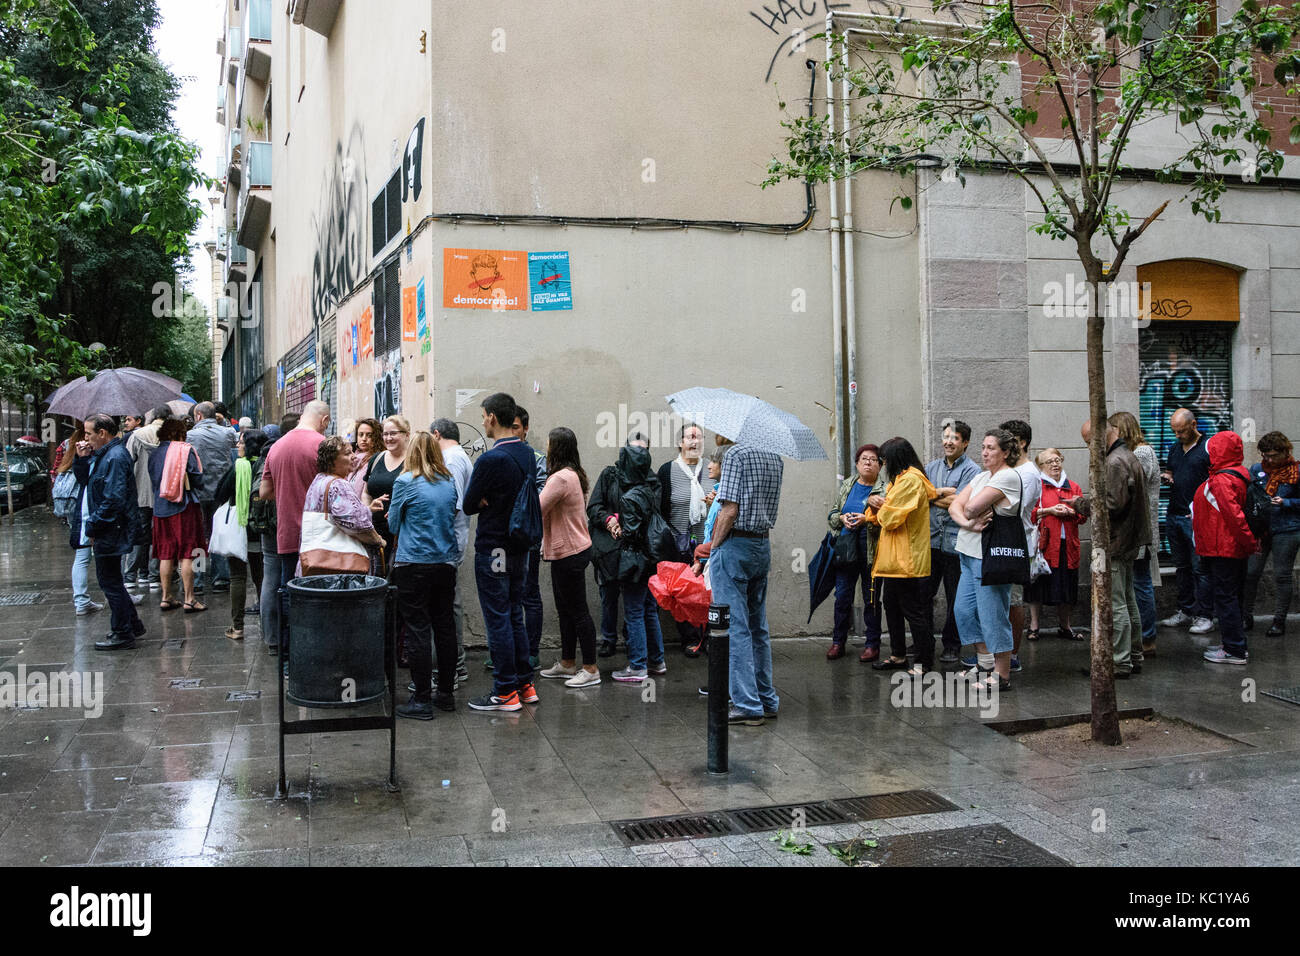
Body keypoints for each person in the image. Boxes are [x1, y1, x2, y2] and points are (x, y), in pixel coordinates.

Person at [462, 392, 540, 711]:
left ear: (492, 417)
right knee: (514, 616)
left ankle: (505, 691)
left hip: (493, 546)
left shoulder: (490, 459)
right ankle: (525, 684)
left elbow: (468, 504)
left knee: (498, 619)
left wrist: (483, 500)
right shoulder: (527, 454)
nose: (482, 421)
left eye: (483, 416)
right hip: (519, 547)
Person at [707, 440, 784, 725]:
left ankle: (746, 704)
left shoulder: (736, 455)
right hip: (761, 544)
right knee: (757, 627)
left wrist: (715, 547)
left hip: (735, 544)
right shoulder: (775, 456)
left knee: (736, 627)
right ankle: (766, 699)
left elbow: (730, 509)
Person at [1068, 417, 1151, 679]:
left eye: (1089, 442)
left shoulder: (1115, 461)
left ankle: (1119, 662)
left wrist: (1080, 504)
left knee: (1117, 603)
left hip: (1117, 540)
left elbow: (1112, 505)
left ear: (1104, 434)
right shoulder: (1128, 455)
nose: (1089, 449)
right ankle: (1133, 657)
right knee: (1128, 599)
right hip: (1129, 539)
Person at [388, 431, 461, 719]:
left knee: (418, 629)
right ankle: (445, 693)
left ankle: (420, 699)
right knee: (444, 627)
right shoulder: (449, 482)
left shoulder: (405, 482)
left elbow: (393, 524)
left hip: (413, 564)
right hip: (445, 562)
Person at [587, 435, 666, 684]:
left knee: (637, 610)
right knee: (641, 608)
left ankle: (639, 665)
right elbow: (595, 507)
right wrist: (609, 519)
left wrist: (625, 527)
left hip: (634, 556)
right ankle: (656, 660)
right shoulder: (613, 476)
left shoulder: (648, 484)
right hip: (617, 554)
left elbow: (643, 522)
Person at [949, 429, 1022, 691]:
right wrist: (970, 525)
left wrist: (968, 515)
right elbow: (954, 506)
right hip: (968, 553)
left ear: (1005, 452)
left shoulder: (1007, 477)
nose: (984, 452)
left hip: (990, 557)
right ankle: (985, 662)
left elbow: (968, 506)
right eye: (983, 447)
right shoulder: (982, 477)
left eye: (991, 448)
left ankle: (1002, 675)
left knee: (993, 616)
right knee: (964, 611)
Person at [260, 400, 330, 661]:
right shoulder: (321, 445)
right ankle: (316, 654)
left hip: (287, 534)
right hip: (319, 536)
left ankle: (289, 657)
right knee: (319, 594)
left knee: (288, 592)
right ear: (323, 421)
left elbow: (264, 491)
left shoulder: (276, 447)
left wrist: (287, 492)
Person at [73, 414, 146, 650]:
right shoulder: (104, 455)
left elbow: (113, 498)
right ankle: (132, 625)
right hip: (108, 527)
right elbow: (86, 482)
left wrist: (94, 525)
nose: (85, 439)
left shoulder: (114, 457)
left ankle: (122, 632)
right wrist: (81, 459)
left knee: (109, 582)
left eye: (88, 433)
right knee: (112, 581)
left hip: (110, 529)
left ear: (102, 433)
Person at [866, 438, 938, 676]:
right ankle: (898, 655)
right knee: (892, 607)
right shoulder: (899, 480)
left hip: (906, 560)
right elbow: (877, 516)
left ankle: (924, 662)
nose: (883, 464)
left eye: (884, 460)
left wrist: (879, 506)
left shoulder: (910, 481)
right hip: (893, 560)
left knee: (913, 611)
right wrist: (875, 505)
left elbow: (891, 518)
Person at [538, 426, 602, 687]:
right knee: (566, 610)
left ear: (557, 448)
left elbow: (537, 508)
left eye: (549, 443)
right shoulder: (573, 473)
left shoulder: (561, 478)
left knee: (578, 612)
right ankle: (567, 663)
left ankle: (590, 668)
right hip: (569, 551)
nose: (546, 447)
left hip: (569, 553)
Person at [1194, 431, 1259, 664]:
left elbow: (1233, 517)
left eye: (1211, 450)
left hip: (1223, 548)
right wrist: (1249, 544)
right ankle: (1235, 643)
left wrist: (1249, 542)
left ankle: (1234, 649)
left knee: (1225, 597)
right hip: (1230, 548)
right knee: (1232, 596)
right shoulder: (1239, 474)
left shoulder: (1222, 480)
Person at [925, 421, 980, 664]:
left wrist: (935, 496)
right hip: (930, 541)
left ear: (965, 442)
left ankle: (952, 644)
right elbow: (920, 496)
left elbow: (965, 504)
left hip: (956, 544)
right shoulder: (931, 467)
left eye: (955, 438)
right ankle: (923, 640)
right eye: (946, 437)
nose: (948, 442)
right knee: (923, 595)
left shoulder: (972, 470)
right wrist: (942, 494)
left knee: (955, 597)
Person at [657, 423, 713, 653]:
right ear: (680, 442)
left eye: (698, 437)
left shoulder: (712, 468)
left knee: (709, 591)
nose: (694, 441)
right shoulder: (667, 470)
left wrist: (714, 502)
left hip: (708, 543)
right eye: (689, 437)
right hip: (678, 544)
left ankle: (708, 637)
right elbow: (660, 510)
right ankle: (689, 638)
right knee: (683, 593)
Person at [826, 444, 884, 661]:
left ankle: (872, 644)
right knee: (842, 597)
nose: (868, 463)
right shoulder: (848, 484)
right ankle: (838, 642)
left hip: (872, 552)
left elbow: (888, 519)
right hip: (846, 551)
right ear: (857, 464)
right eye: (864, 459)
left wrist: (866, 520)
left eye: (873, 460)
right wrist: (841, 519)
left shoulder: (884, 488)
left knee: (871, 600)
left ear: (880, 465)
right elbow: (832, 513)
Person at [1111, 412, 1162, 654]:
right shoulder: (1139, 452)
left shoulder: (1140, 453)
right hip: (1139, 529)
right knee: (1136, 584)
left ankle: (1147, 638)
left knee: (1140, 584)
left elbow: (1127, 487)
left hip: (1139, 530)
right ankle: (1141, 639)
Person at [1161, 408, 1214, 633]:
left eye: (1181, 431)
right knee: (1181, 567)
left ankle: (1205, 615)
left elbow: (1215, 483)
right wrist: (1168, 477)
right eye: (1174, 431)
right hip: (1174, 514)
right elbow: (1172, 471)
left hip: (1195, 518)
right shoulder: (1175, 448)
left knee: (1200, 568)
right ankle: (1186, 610)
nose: (1177, 435)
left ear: (1193, 426)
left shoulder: (1207, 449)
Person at [301, 436, 386, 575]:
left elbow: (338, 514)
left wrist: (366, 509)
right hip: (339, 569)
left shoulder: (319, 480)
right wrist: (379, 540)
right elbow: (357, 524)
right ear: (331, 460)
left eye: (352, 452)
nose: (354, 457)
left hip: (316, 561)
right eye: (347, 453)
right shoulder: (339, 485)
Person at [1025, 448, 1086, 640]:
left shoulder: (1073, 487)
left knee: (1067, 585)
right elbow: (1029, 514)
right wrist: (1049, 510)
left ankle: (1065, 626)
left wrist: (1072, 513)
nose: (1055, 464)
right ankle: (1034, 626)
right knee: (1037, 585)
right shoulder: (1037, 486)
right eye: (1050, 461)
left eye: (1058, 460)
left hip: (1067, 546)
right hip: (1043, 546)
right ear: (1041, 466)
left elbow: (1083, 516)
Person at [431, 418, 474, 689]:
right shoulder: (456, 457)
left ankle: (455, 667)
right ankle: (455, 665)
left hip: (448, 543)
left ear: (436, 435)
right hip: (449, 542)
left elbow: (453, 504)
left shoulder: (453, 459)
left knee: (448, 607)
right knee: (449, 605)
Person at [214, 428, 268, 640]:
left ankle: (237, 627)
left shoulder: (239, 467)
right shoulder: (265, 466)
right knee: (261, 577)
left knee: (237, 577)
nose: (237, 445)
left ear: (250, 445)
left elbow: (219, 493)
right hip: (260, 530)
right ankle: (267, 625)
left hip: (239, 528)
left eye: (241, 442)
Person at [149, 417, 207, 614]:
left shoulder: (154, 453)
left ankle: (166, 597)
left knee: (165, 553)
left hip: (160, 507)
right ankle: (190, 599)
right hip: (184, 506)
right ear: (180, 433)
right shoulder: (184, 450)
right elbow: (197, 478)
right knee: (188, 552)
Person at [1244, 431, 1299, 636]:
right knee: (1250, 573)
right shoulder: (1257, 470)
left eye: (1274, 455)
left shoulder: (1296, 471)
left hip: (1287, 528)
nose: (1269, 460)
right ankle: (1245, 616)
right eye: (1265, 455)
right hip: (1260, 529)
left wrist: (1287, 502)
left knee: (1282, 575)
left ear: (1286, 452)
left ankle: (1279, 621)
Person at [1000, 419, 1041, 674]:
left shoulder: (1028, 473)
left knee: (1014, 601)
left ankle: (1012, 655)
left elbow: (1012, 506)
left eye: (1008, 440)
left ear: (1022, 442)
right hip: (1005, 542)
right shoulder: (1011, 469)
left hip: (1018, 544)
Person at [511, 407, 547, 668]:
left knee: (529, 593)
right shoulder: (498, 455)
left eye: (516, 427)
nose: (512, 432)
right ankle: (508, 649)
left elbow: (541, 494)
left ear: (525, 428)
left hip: (527, 537)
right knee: (505, 595)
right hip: (503, 537)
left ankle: (531, 651)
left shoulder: (536, 457)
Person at [187, 402, 236, 593]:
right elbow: (236, 441)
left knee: (198, 536)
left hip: (197, 492)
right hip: (220, 491)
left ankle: (197, 580)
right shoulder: (227, 433)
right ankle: (221, 578)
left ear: (198, 415)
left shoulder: (189, 436)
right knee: (219, 533)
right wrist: (222, 422)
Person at [58, 423, 102, 617]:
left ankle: (81, 600)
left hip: (74, 506)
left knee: (82, 555)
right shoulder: (89, 450)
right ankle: (83, 600)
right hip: (85, 506)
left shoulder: (68, 445)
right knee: (95, 553)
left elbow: (56, 470)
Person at [125, 407, 167, 590]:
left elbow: (126, 462)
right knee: (160, 534)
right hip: (165, 493)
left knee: (139, 533)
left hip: (141, 493)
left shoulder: (138, 435)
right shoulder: (174, 434)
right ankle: (153, 576)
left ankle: (131, 575)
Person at [363, 414, 411, 562]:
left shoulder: (413, 461)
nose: (388, 438)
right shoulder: (376, 459)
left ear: (406, 435)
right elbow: (365, 492)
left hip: (401, 533)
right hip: (374, 532)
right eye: (385, 434)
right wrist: (368, 508)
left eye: (393, 433)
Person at [254, 424, 281, 656]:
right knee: (280, 577)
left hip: (266, 527)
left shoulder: (260, 458)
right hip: (282, 524)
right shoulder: (279, 454)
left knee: (269, 578)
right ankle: (281, 634)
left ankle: (270, 636)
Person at [347, 418, 382, 497]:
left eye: (369, 435)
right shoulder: (353, 458)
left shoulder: (378, 459)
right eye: (361, 435)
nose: (364, 439)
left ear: (376, 438)